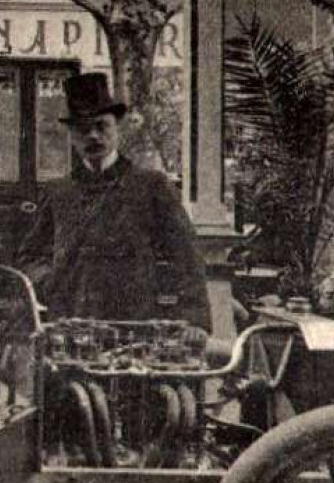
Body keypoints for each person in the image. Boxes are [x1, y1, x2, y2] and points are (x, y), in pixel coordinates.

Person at [14, 72, 210, 331]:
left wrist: (194, 321)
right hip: (70, 323)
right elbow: (29, 256)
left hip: (134, 323)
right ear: (71, 135)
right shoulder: (58, 192)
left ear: (117, 127)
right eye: (84, 129)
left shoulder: (151, 185)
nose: (93, 136)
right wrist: (52, 280)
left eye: (102, 126)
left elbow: (186, 255)